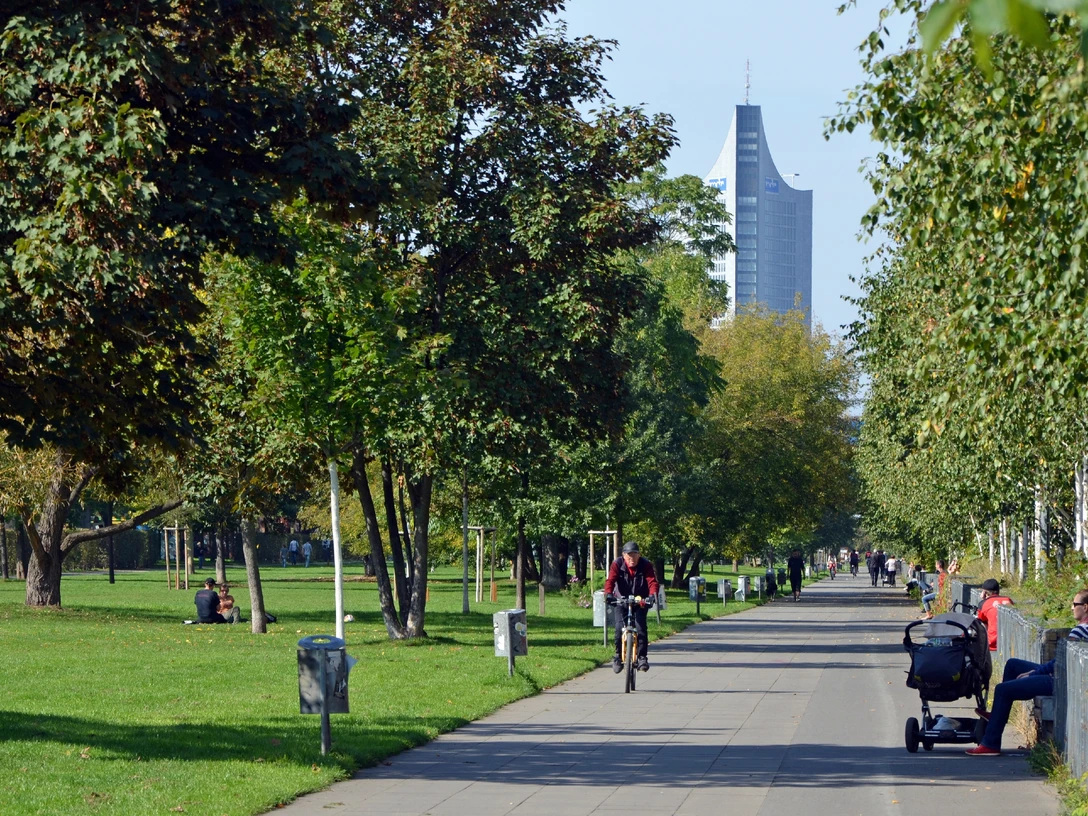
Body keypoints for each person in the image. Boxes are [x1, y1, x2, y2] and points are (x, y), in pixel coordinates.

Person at [967, 588, 1088, 755]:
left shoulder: (1080, 631)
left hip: (1060, 681)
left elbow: (1060, 663)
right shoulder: (1082, 629)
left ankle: (991, 744)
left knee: (1003, 690)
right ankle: (996, 714)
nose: (1071, 608)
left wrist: (1034, 673)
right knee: (1013, 665)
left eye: (1075, 604)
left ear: (1085, 607)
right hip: (1060, 674)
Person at [604, 541, 660, 673]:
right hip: (621, 599)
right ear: (623, 555)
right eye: (629, 556)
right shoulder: (617, 564)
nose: (631, 559)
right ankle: (618, 657)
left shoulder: (646, 565)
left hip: (640, 601)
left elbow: (652, 582)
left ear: (639, 555)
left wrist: (652, 596)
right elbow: (610, 581)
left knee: (640, 628)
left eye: (634, 555)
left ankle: (642, 657)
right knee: (618, 628)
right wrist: (608, 594)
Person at [975, 578, 1014, 651]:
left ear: (985, 593)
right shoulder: (1008, 599)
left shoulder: (983, 604)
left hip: (993, 644)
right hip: (1010, 644)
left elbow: (982, 624)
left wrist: (983, 599)